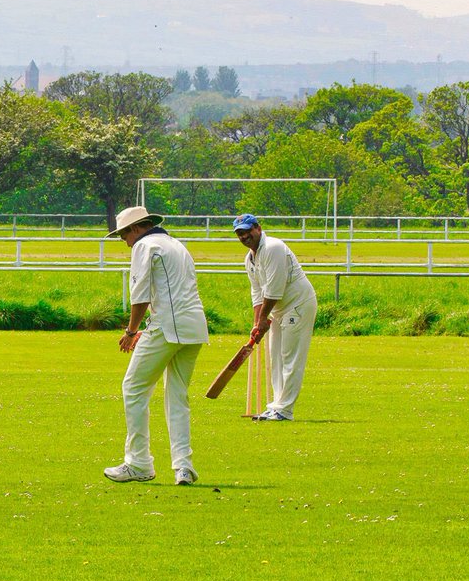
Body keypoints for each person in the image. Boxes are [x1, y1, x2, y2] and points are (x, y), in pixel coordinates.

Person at [103, 206, 209, 486]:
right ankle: (183, 467)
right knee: (177, 396)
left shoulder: (144, 245)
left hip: (167, 327)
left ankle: (138, 463)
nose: (124, 242)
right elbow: (169, 292)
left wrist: (131, 331)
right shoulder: (176, 244)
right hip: (195, 326)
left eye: (123, 235)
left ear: (136, 228)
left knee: (134, 387)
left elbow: (139, 296)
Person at [233, 213, 317, 421]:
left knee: (290, 357)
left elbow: (273, 289)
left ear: (258, 228)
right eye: (240, 234)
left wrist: (263, 320)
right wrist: (256, 322)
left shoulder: (273, 248)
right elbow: (257, 293)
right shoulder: (250, 259)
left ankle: (284, 409)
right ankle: (276, 407)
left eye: (247, 231)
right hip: (278, 310)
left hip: (298, 305)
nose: (244, 237)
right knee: (275, 359)